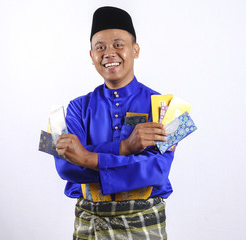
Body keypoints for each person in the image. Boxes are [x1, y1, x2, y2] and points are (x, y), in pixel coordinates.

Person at [54, 6, 174, 240]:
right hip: (89, 225)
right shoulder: (75, 108)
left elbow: (158, 170)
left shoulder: (167, 108)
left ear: (135, 49)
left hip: (145, 226)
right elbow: (64, 166)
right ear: (91, 56)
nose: (109, 53)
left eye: (118, 44)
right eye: (100, 47)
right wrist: (126, 149)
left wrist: (87, 158)